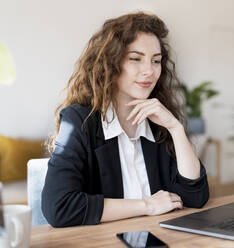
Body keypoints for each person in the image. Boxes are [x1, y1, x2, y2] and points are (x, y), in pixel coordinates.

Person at [41, 12, 209, 228]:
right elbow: (59, 207)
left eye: (156, 61)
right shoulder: (79, 121)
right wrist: (146, 206)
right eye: (136, 58)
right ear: (111, 62)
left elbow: (195, 197)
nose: (149, 71)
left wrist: (175, 128)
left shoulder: (159, 122)